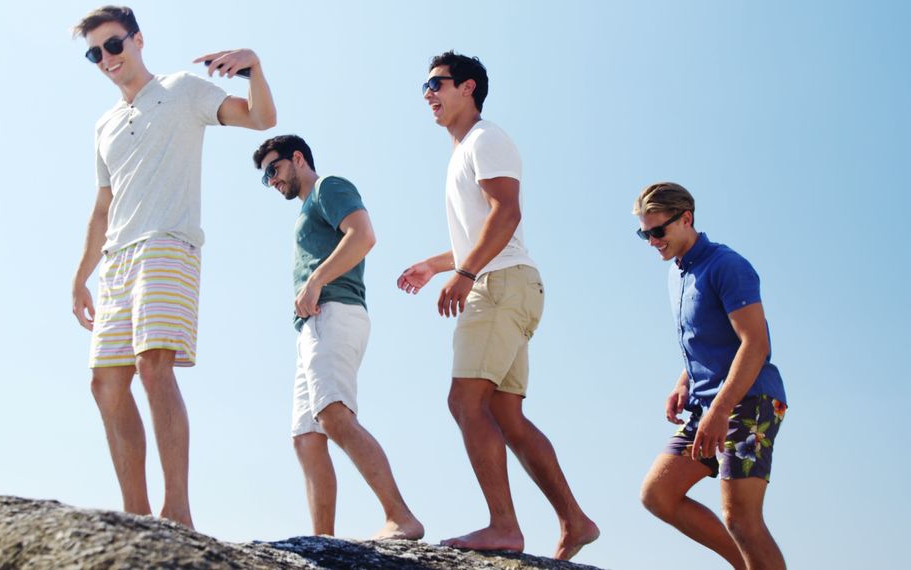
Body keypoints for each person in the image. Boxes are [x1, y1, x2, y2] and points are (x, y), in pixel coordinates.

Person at [69, 5, 276, 529]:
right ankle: (136, 517)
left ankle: (177, 511)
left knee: (152, 367)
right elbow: (102, 207)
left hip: (168, 243)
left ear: (139, 40)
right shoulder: (104, 125)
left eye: (114, 45)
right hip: (117, 261)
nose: (106, 59)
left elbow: (260, 120)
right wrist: (80, 276)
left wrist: (254, 67)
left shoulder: (183, 90)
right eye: (95, 53)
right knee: (105, 384)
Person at [396, 51, 599, 558]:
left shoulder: (486, 139)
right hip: (513, 285)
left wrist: (465, 273)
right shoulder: (465, 150)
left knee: (465, 402)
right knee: (506, 415)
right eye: (424, 87)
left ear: (468, 88)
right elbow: (483, 229)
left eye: (436, 83)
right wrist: (438, 264)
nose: (428, 94)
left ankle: (504, 526)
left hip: (499, 286)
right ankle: (574, 520)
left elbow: (506, 212)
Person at [253, 135, 424, 540]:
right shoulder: (304, 212)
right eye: (264, 178)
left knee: (333, 415)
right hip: (311, 327)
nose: (271, 181)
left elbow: (363, 236)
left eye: (273, 170)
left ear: (298, 159)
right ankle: (323, 541)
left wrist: (315, 281)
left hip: (336, 312)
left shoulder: (328, 187)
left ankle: (401, 517)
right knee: (306, 437)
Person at [634, 182, 788, 570]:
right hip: (707, 407)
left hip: (748, 401)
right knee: (659, 494)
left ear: (686, 219)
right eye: (644, 233)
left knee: (742, 519)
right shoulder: (677, 273)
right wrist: (683, 382)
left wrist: (721, 409)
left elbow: (756, 344)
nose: (652, 241)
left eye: (657, 231)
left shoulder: (727, 265)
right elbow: (707, 340)